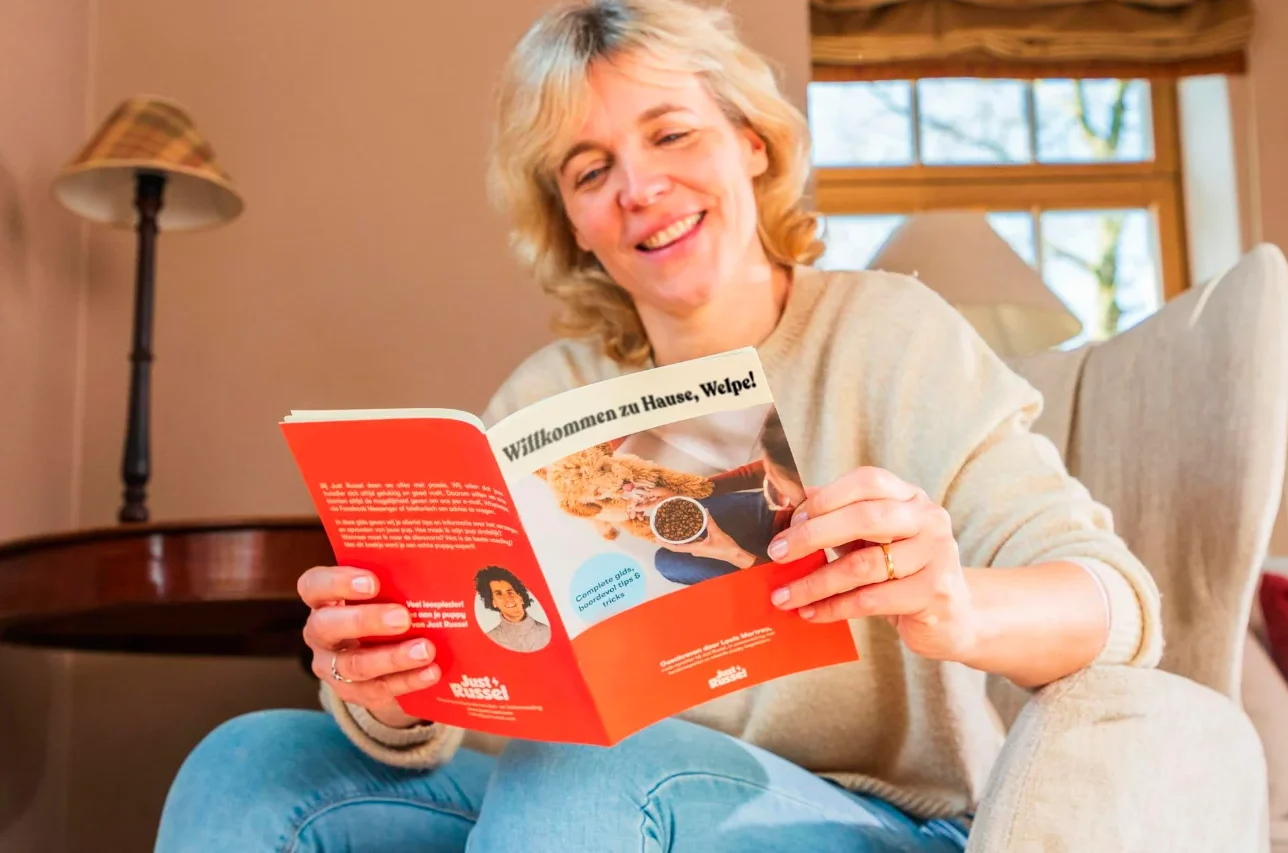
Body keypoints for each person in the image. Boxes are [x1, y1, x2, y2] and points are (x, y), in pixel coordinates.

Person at [154, 1, 1164, 850]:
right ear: (572, 223)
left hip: (862, 816)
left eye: (672, 134)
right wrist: (391, 689)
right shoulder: (545, 393)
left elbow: (1115, 603)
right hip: (564, 796)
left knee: (582, 776)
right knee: (248, 759)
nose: (639, 189)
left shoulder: (889, 335)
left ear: (751, 144)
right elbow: (468, 701)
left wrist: (955, 604)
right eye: (589, 171)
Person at [645, 407, 805, 582]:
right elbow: (751, 474)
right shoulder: (793, 448)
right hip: (772, 518)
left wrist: (735, 555)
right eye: (769, 477)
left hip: (778, 567)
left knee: (667, 563)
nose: (768, 489)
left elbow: (787, 582)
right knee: (692, 512)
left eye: (776, 489)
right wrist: (684, 490)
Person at [473, 565, 552, 653]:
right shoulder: (491, 639)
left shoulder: (547, 633)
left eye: (510, 591)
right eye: (499, 594)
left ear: (520, 597)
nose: (507, 598)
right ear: (493, 602)